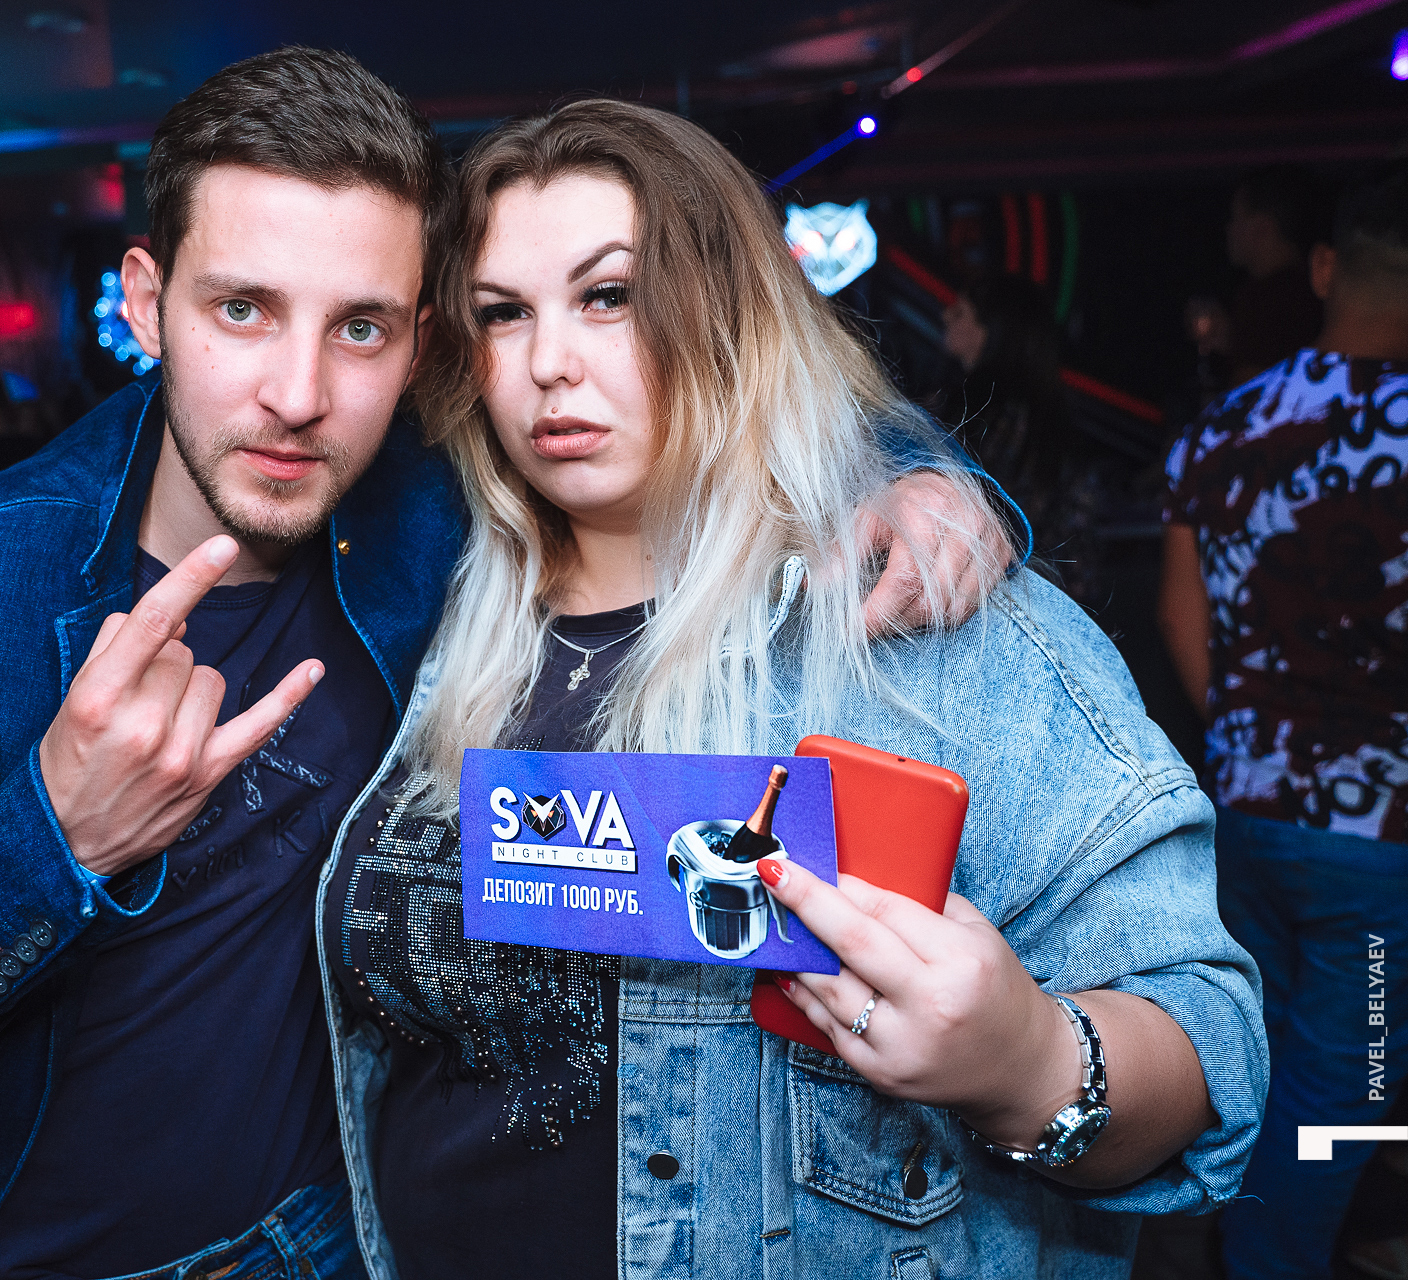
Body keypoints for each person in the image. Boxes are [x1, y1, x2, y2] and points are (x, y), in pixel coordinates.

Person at [0, 49, 1015, 1280]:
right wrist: (52, 840)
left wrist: (926, 480)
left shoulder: (436, 507)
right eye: (242, 309)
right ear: (143, 301)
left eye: (360, 329)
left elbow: (729, 397)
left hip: (327, 1242)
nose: (298, 393)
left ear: (422, 341)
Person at [318, 99, 1265, 1280]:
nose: (547, 362)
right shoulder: (420, 608)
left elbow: (1213, 1045)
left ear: (731, 312)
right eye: (503, 312)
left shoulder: (924, 624)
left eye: (608, 295)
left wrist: (1024, 1061)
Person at [1157, 166, 1408, 1280]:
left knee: (1254, 1053)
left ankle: (1235, 1235)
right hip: (1380, 837)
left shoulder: (1228, 423)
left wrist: (1258, 744)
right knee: (1350, 1086)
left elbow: (1180, 614)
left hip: (1246, 812)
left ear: (1323, 270)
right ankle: (1273, 1256)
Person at [941, 272, 1109, 605]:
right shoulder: (1050, 413)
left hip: (997, 600)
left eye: (959, 312)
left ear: (993, 329)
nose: (945, 316)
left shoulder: (986, 412)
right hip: (1053, 602)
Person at [1224, 164, 1333, 386]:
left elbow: (1252, 393)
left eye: (1236, 218)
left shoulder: (1262, 300)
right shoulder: (1320, 288)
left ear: (1263, 227)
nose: (1229, 229)